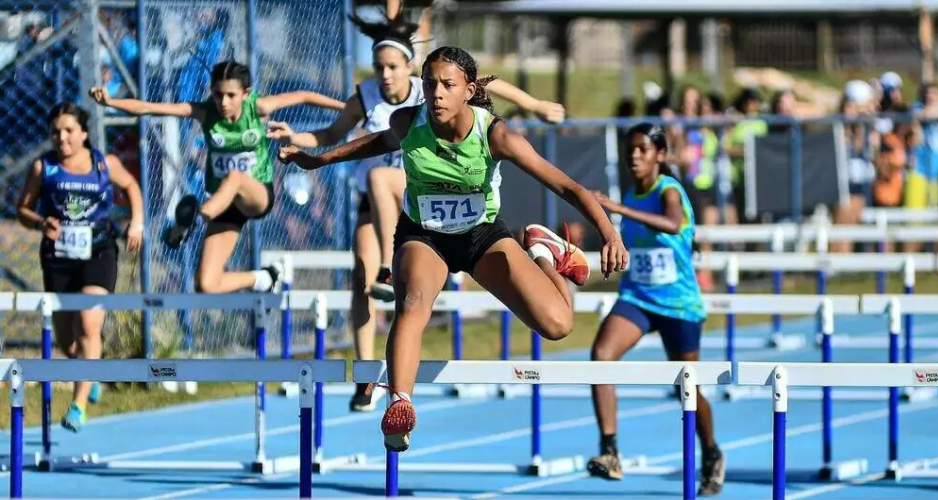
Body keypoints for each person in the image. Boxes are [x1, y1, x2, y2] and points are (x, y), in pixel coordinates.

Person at [278, 45, 627, 451]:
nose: (437, 93)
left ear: (468, 89)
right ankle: (400, 403)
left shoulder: (495, 134)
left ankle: (544, 252)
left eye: (447, 85)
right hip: (424, 235)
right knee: (413, 302)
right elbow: (373, 143)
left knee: (558, 325)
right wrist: (318, 161)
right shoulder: (409, 121)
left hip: (481, 236)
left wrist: (610, 233)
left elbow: (567, 185)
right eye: (429, 84)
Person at [266, 12, 565, 413]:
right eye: (379, 68)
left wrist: (534, 103)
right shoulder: (365, 96)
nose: (386, 76)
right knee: (361, 276)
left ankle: (393, 269)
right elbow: (331, 136)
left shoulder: (429, 92)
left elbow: (487, 83)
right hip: (389, 209)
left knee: (382, 181)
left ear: (408, 67)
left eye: (392, 67)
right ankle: (369, 373)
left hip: (424, 199)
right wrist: (302, 146)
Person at [87, 61, 345, 295]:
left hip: (256, 195)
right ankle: (265, 278)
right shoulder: (205, 111)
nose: (223, 102)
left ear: (245, 93)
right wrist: (111, 103)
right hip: (224, 204)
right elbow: (149, 107)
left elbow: (304, 96)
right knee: (207, 284)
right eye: (218, 95)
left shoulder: (258, 107)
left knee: (234, 176)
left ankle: (193, 221)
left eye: (231, 96)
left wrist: (348, 109)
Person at [588, 123, 725, 496]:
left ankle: (711, 452)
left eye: (643, 150)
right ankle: (610, 451)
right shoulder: (632, 193)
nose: (634, 156)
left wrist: (617, 208)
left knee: (688, 385)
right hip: (638, 298)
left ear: (660, 155)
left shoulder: (669, 191)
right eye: (630, 149)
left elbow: (673, 223)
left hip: (678, 303)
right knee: (601, 354)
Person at [16, 102, 145, 432]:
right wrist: (40, 222)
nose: (62, 138)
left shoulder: (104, 163)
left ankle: (78, 405)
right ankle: (90, 371)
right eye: (55, 132)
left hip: (98, 251)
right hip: (58, 256)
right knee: (68, 342)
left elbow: (131, 186)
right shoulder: (43, 168)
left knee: (88, 324)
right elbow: (23, 210)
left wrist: (136, 223)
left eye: (69, 131)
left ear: (84, 133)